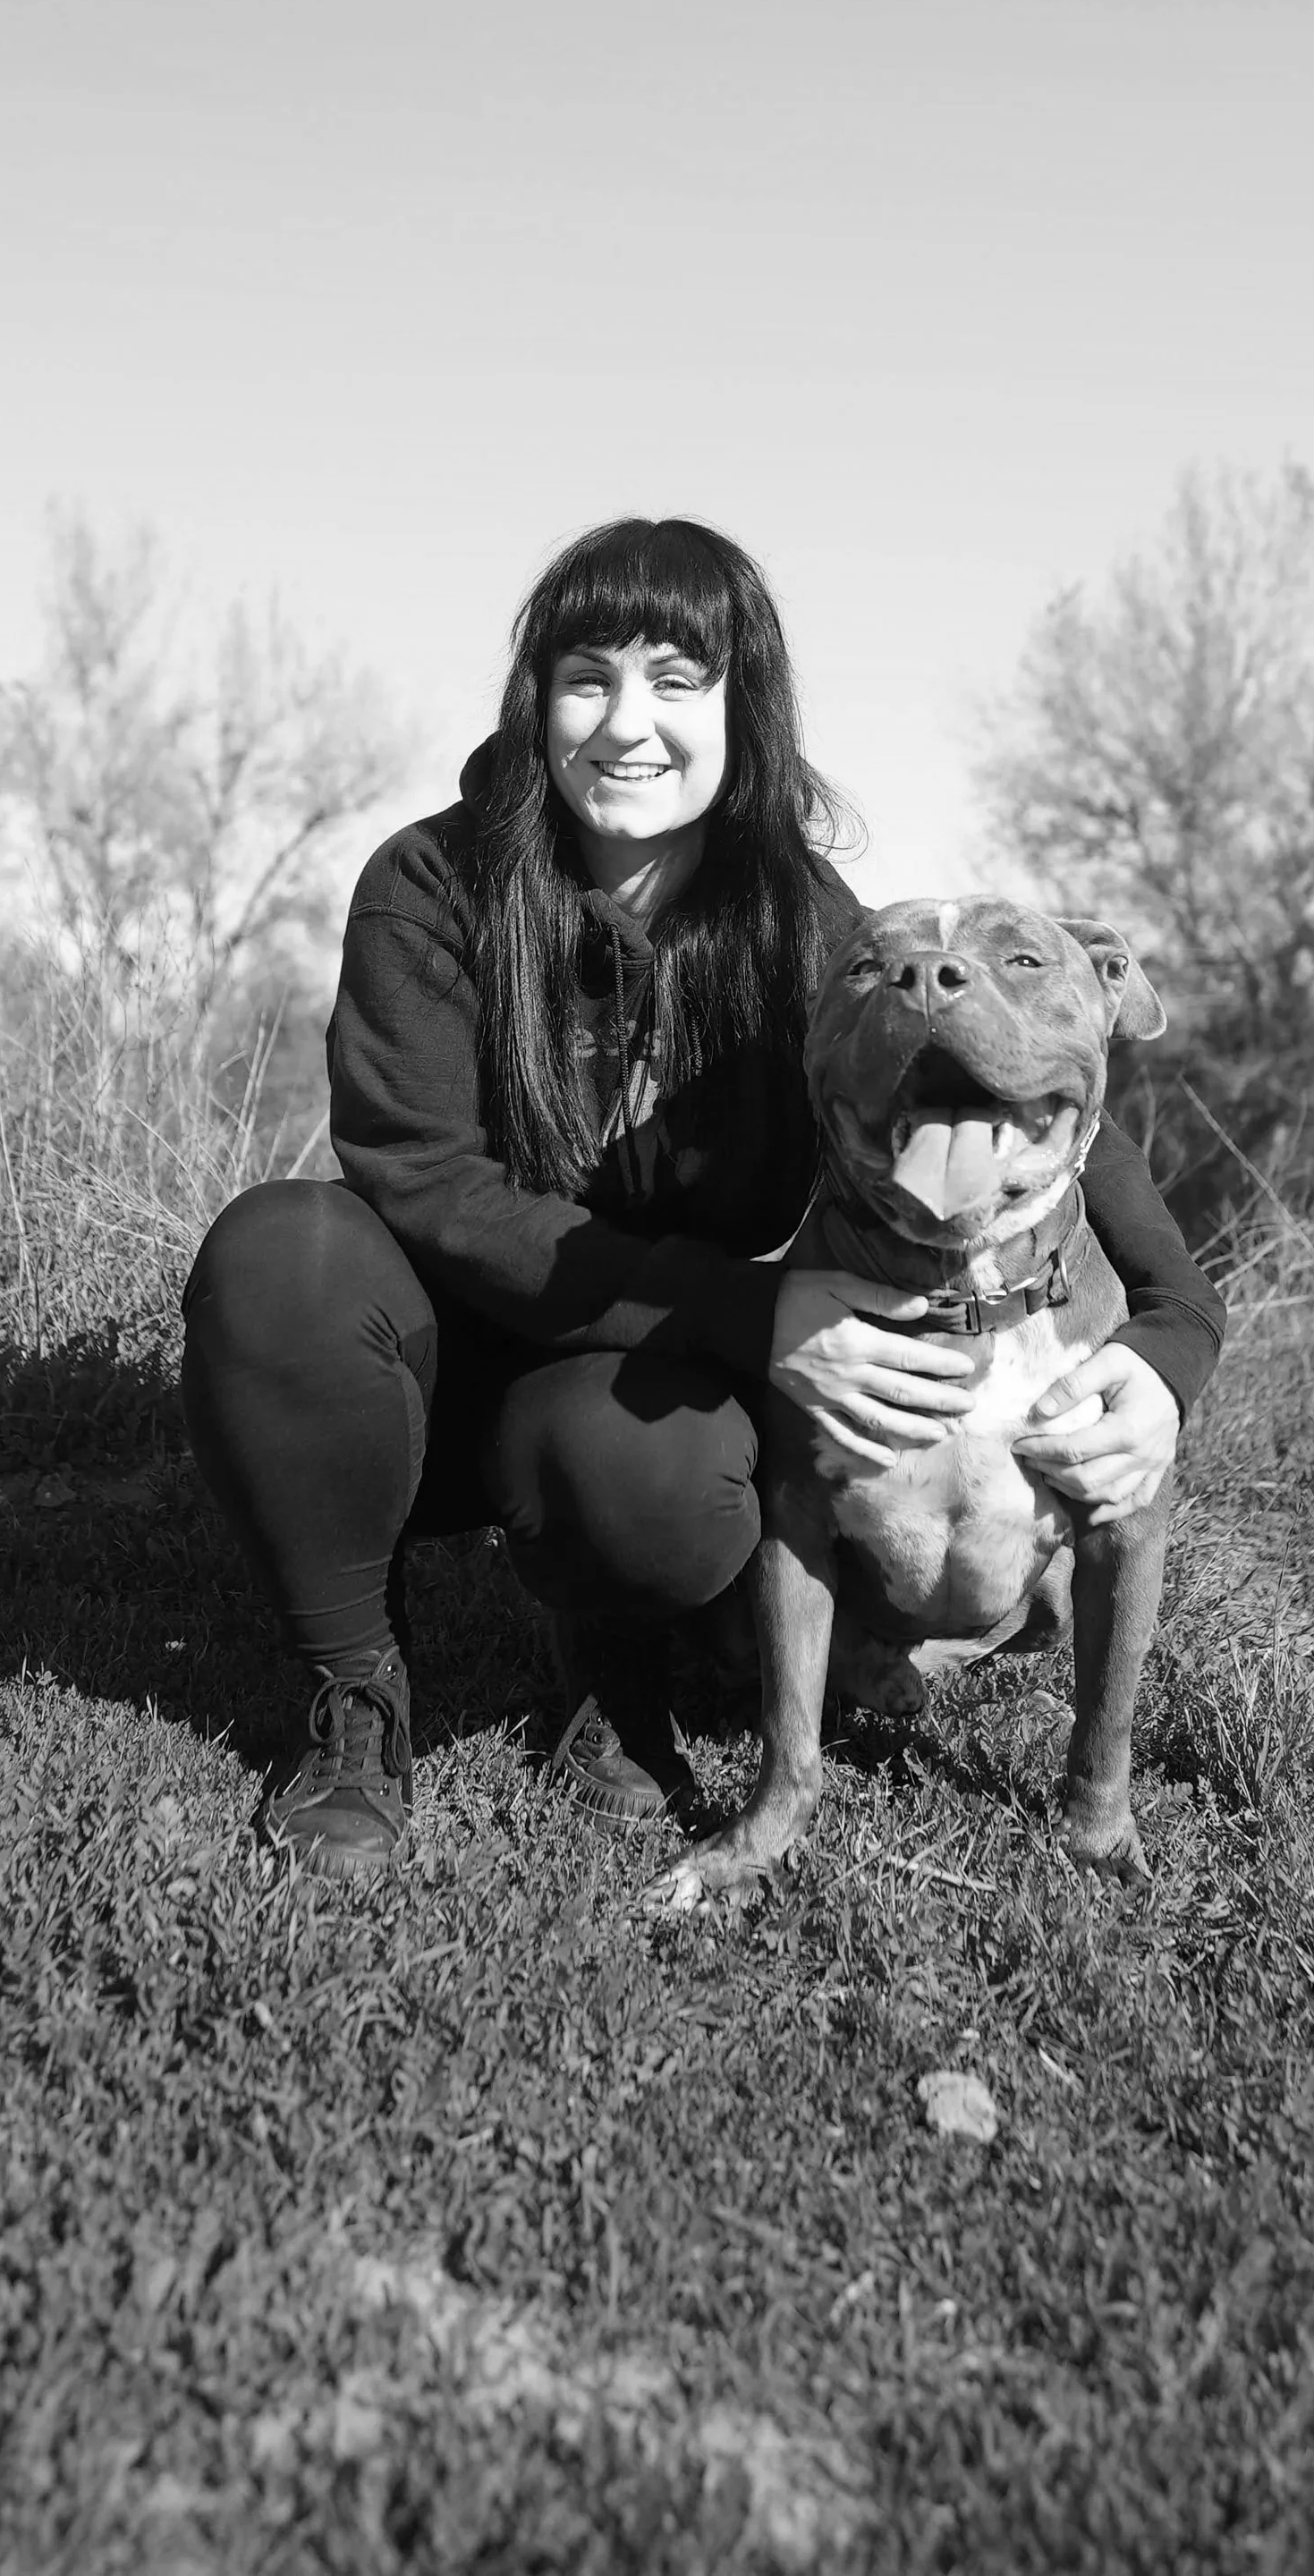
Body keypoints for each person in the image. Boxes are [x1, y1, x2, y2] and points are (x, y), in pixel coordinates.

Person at [181, 515, 1224, 1872]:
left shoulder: (805, 926)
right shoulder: (428, 888)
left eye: (678, 680)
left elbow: (1004, 1086)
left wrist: (1169, 1350)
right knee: (283, 1255)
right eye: (587, 676)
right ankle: (353, 1692)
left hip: (616, 1386)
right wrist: (757, 1314)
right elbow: (423, 1178)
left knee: (675, 1472)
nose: (628, 724)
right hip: (429, 1372)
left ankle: (609, 1671)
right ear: (537, 700)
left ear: (744, 709)